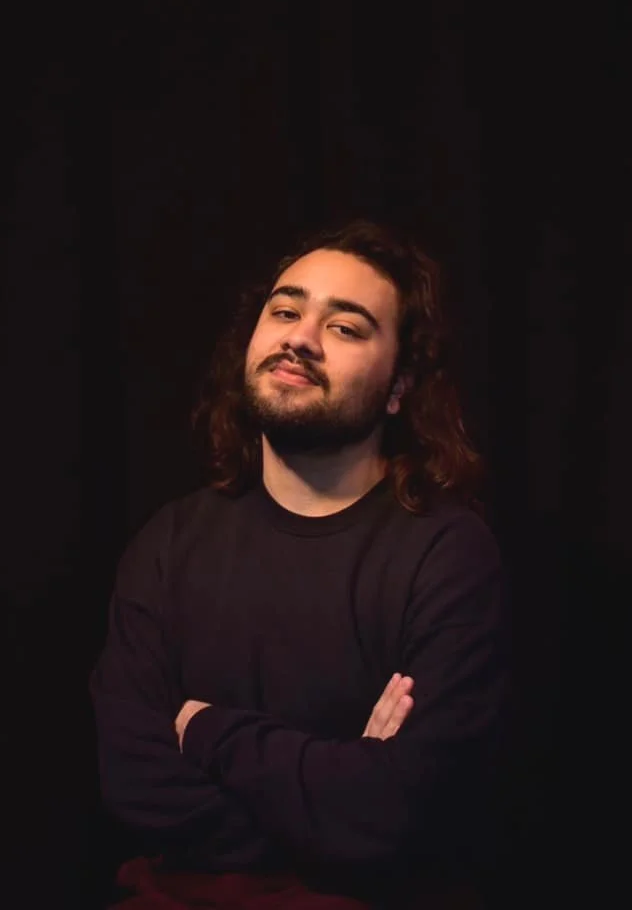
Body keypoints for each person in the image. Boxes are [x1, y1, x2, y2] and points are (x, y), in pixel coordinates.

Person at [90, 220, 510, 909]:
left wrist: (206, 729)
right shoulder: (168, 544)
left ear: (400, 386)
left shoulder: (446, 554)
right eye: (285, 311)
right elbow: (135, 785)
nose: (299, 338)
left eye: (346, 328)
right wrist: (335, 797)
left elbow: (396, 814)